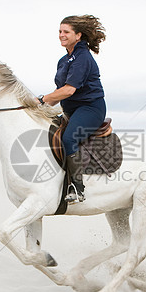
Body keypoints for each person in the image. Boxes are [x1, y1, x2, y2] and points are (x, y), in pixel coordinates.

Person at [38, 15, 107, 204]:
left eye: (66, 32)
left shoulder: (83, 57)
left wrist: (43, 99)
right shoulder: (64, 60)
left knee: (69, 138)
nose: (61, 35)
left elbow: (69, 90)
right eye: (60, 31)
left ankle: (77, 188)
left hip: (90, 108)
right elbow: (60, 91)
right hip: (70, 109)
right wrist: (40, 105)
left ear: (78, 35)